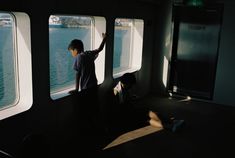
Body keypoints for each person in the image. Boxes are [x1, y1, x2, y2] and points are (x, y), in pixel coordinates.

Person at [112, 72, 185, 133]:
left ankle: (171, 124)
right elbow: (120, 108)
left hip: (128, 112)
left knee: (147, 113)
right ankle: (171, 124)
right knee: (147, 114)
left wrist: (132, 100)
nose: (130, 87)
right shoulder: (116, 92)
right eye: (130, 85)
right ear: (126, 83)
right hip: (125, 116)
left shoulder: (121, 88)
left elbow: (124, 103)